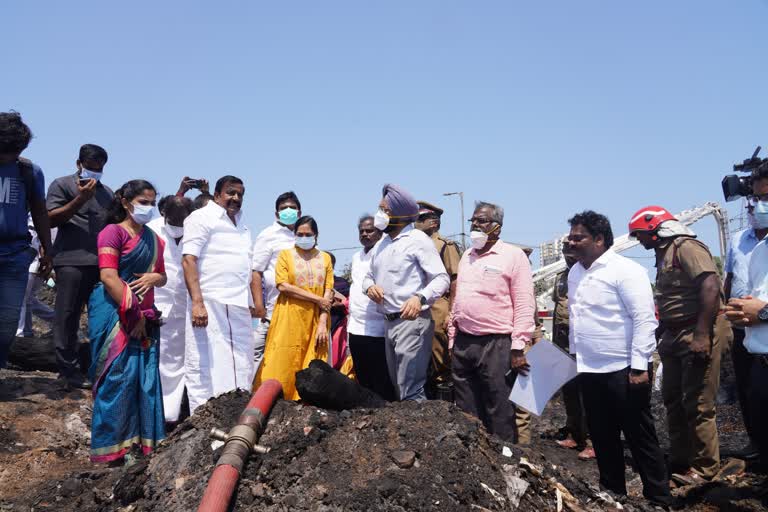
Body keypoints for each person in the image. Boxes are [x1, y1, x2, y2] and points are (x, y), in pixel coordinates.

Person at [567, 210, 672, 507]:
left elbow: (644, 320)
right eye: (571, 237)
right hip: (589, 368)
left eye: (579, 237)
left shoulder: (625, 270)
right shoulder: (576, 273)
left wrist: (639, 365)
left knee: (639, 436)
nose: (571, 242)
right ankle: (613, 493)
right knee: (601, 435)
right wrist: (576, 357)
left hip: (624, 368)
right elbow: (578, 319)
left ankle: (659, 498)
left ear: (599, 239)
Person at [630, 206, 727, 484]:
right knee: (673, 398)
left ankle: (705, 468)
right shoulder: (664, 253)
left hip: (697, 329)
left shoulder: (686, 247)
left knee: (698, 402)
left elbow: (710, 285)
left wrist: (702, 334)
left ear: (654, 230)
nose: (639, 241)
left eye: (640, 235)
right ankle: (681, 461)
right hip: (674, 333)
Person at [88, 179, 167, 463]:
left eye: (152, 203)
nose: (148, 208)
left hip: (144, 317)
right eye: (143, 202)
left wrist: (157, 278)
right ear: (125, 202)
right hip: (114, 314)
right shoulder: (112, 233)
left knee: (143, 381)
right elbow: (108, 277)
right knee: (116, 380)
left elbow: (162, 275)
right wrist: (132, 314)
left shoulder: (156, 240)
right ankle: (110, 452)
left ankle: (141, 448)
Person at [447, 201, 535, 443]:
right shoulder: (467, 256)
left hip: (496, 344)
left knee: (499, 407)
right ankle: (477, 460)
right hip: (465, 342)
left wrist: (518, 347)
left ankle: (506, 459)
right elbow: (459, 299)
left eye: (482, 221)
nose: (475, 224)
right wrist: (453, 339)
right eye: (473, 220)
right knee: (467, 408)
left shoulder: (513, 256)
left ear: (497, 227)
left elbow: (525, 303)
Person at [363, 184, 449, 401]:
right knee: (399, 387)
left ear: (400, 215)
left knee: (411, 389)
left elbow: (441, 278)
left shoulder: (418, 240)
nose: (379, 215)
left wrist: (419, 298)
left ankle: (424, 433)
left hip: (412, 321)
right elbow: (367, 276)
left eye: (385, 210)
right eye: (379, 209)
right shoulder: (381, 244)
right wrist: (369, 287)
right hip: (389, 323)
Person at [182, 175, 256, 413]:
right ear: (216, 194)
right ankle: (204, 422)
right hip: (211, 302)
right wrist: (197, 302)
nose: (236, 198)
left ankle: (237, 418)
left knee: (241, 363)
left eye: (240, 194)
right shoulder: (201, 218)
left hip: (238, 304)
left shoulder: (243, 226)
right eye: (230, 193)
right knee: (207, 364)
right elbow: (188, 260)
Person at [47, 143, 114, 388]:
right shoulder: (62, 185)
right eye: (90, 168)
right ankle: (67, 371)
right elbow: (51, 219)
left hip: (102, 265)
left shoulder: (107, 193)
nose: (95, 173)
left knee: (101, 318)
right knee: (67, 317)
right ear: (79, 164)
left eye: (100, 169)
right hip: (71, 261)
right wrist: (80, 199)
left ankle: (97, 369)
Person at [254, 216, 334, 400]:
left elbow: (328, 291)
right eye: (300, 234)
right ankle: (275, 399)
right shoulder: (285, 255)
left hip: (316, 318)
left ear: (316, 235)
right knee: (283, 357)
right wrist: (317, 299)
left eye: (308, 234)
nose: (304, 237)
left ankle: (308, 401)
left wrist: (322, 322)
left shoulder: (325, 258)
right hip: (289, 315)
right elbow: (283, 285)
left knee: (314, 360)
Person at [0, 112, 52, 368]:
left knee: (9, 319)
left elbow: (40, 212)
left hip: (14, 255)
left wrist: (47, 250)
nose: (10, 156)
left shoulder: (29, 171)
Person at [722, 170, 768, 460]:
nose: (759, 205)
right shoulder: (759, 248)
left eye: (767, 197)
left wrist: (762, 313)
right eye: (757, 197)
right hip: (755, 345)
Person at [147, 195, 194, 424]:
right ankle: (155, 413)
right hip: (156, 305)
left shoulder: (196, 231)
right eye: (173, 220)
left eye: (182, 220)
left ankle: (173, 414)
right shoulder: (151, 230)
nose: (177, 225)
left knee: (182, 361)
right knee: (157, 359)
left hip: (186, 307)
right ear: (163, 214)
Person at [414, 201, 461, 401]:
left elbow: (455, 279)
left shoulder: (444, 245)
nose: (415, 223)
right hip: (417, 306)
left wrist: (452, 311)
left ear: (433, 222)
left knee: (440, 359)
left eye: (420, 219)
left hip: (438, 307)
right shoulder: (413, 243)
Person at [552, 241, 594, 459]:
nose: (569, 257)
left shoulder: (591, 274)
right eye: (566, 254)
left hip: (585, 343)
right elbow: (557, 311)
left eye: (572, 254)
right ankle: (575, 433)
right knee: (570, 392)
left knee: (589, 395)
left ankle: (592, 441)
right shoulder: (561, 277)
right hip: (563, 342)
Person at [250, 191, 300, 370]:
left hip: (299, 311)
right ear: (277, 213)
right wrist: (259, 306)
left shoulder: (303, 236)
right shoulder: (268, 235)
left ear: (299, 212)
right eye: (284, 208)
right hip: (272, 311)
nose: (288, 211)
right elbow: (256, 272)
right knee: (260, 357)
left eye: (292, 208)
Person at [348, 215, 395, 400]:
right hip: (356, 327)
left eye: (370, 230)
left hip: (379, 329)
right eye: (362, 231)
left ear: (380, 232)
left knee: (382, 379)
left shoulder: (386, 252)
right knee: (363, 376)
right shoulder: (356, 257)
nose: (365, 234)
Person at [16, 216, 56, 337]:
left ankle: (20, 332)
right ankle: (27, 331)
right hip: (30, 263)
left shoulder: (36, 216)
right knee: (28, 300)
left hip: (34, 263)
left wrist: (47, 263)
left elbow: (47, 240)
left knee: (21, 299)